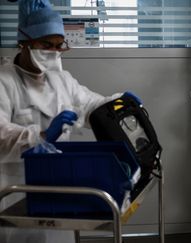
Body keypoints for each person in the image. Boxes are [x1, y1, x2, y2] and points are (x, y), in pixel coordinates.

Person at [0, 0, 141, 242]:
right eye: (46, 44)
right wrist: (41, 137)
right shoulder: (5, 81)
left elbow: (91, 105)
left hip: (60, 185)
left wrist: (118, 104)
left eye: (59, 45)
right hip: (17, 192)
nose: (53, 52)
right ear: (24, 42)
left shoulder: (61, 80)